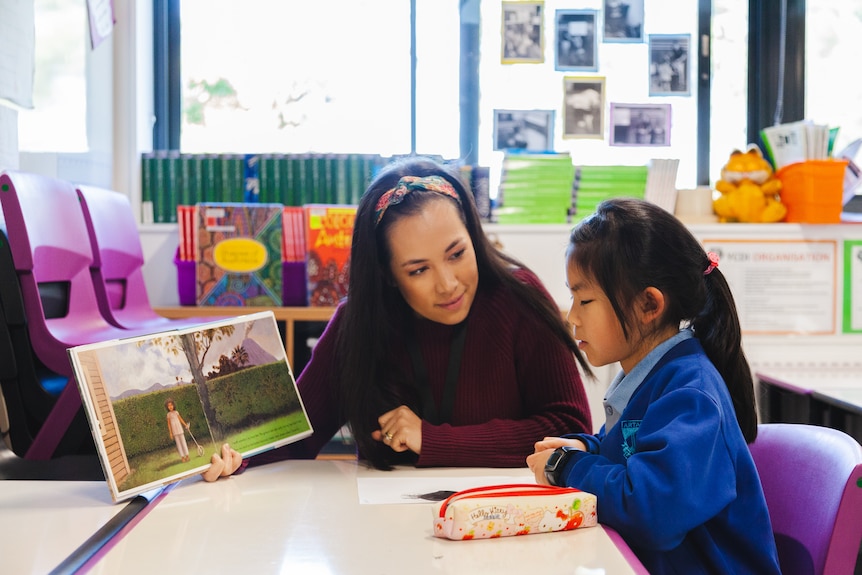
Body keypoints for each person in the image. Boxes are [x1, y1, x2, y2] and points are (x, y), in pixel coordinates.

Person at [206, 156, 593, 479]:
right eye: (418, 270)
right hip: (385, 536)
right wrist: (234, 463)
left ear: (474, 237)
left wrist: (432, 439)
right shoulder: (357, 324)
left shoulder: (517, 299)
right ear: (388, 275)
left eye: (457, 253)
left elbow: (570, 430)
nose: (448, 284)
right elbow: (295, 440)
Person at [526, 198, 781, 575]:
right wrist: (586, 446)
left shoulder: (691, 394)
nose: (572, 317)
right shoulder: (652, 378)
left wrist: (569, 467)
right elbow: (632, 452)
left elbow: (652, 510)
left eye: (585, 299)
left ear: (649, 304)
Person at [165, 398, 191, 463]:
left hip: (180, 429)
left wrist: (185, 425)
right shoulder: (168, 415)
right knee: (179, 444)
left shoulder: (176, 412)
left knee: (183, 442)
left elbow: (181, 419)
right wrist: (170, 433)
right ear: (167, 407)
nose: (170, 407)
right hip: (174, 431)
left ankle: (187, 455)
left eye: (171, 405)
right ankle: (182, 457)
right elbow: (169, 424)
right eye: (169, 406)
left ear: (173, 405)